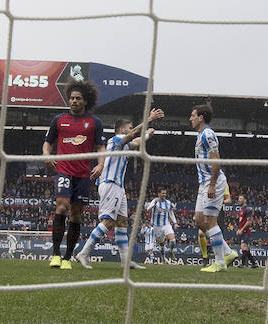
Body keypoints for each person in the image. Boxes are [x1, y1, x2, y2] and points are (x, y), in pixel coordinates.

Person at [73, 109, 164, 269]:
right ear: (122, 130)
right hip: (110, 184)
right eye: (129, 128)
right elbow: (133, 135)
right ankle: (83, 253)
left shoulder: (124, 144)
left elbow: (136, 142)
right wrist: (148, 120)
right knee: (108, 222)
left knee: (122, 223)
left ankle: (125, 261)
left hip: (119, 187)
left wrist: (148, 135)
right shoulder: (115, 140)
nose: (131, 131)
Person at [42, 80, 105, 270]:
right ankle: (55, 255)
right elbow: (48, 142)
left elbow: (101, 146)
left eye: (78, 98)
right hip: (63, 170)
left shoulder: (95, 122)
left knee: (76, 215)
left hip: (83, 173)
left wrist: (101, 164)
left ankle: (68, 258)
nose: (74, 101)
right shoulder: (59, 120)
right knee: (61, 207)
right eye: (71, 98)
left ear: (85, 101)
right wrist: (46, 154)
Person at [190, 104, 239, 273]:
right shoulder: (200, 135)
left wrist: (212, 184)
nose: (190, 119)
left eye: (193, 115)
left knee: (210, 222)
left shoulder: (208, 134)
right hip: (203, 183)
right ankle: (228, 252)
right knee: (199, 220)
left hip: (213, 182)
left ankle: (219, 262)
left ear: (201, 117)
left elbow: (216, 161)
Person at [145, 188, 179, 264]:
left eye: (165, 193)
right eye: (163, 193)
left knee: (173, 240)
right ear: (159, 194)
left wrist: (175, 223)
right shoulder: (155, 201)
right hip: (156, 226)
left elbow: (171, 213)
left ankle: (170, 251)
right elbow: (148, 209)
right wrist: (154, 203)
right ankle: (163, 257)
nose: (164, 195)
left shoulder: (168, 203)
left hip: (166, 224)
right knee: (161, 244)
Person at [234, 194, 258, 268]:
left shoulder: (248, 209)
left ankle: (242, 263)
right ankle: (254, 263)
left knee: (243, 247)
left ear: (245, 200)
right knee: (245, 248)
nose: (239, 200)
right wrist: (239, 229)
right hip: (242, 231)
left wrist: (242, 229)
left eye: (241, 198)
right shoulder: (242, 209)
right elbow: (242, 221)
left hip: (246, 231)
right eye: (239, 198)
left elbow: (249, 221)